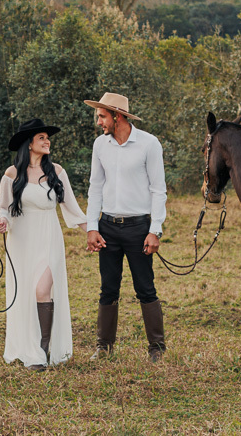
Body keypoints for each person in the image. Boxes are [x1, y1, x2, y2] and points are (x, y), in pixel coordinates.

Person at [0, 118, 87, 369]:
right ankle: (31, 349)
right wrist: (2, 221)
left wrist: (92, 232)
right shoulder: (12, 174)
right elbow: (3, 207)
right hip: (21, 240)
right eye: (42, 138)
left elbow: (73, 209)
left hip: (48, 236)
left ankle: (42, 349)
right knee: (26, 292)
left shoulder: (57, 171)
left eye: (48, 138)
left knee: (42, 289)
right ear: (29, 143)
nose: (47, 142)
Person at [83, 92, 168, 362]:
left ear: (117, 116)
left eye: (102, 116)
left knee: (145, 287)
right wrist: (91, 227)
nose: (99, 122)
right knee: (108, 287)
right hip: (107, 227)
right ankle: (104, 347)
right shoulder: (100, 145)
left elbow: (158, 190)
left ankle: (157, 348)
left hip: (138, 228)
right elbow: (95, 187)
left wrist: (155, 230)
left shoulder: (149, 144)